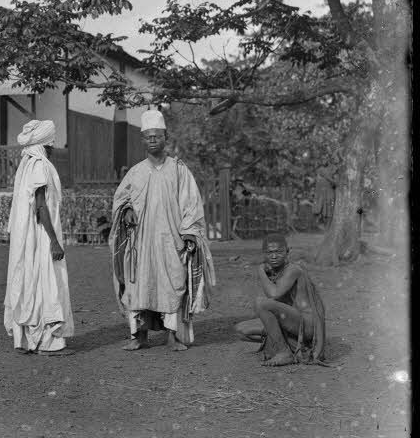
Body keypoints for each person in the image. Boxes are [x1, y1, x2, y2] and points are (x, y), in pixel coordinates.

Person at [111, 109, 217, 351]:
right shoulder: (135, 172)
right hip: (141, 243)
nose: (152, 140)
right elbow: (121, 199)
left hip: (171, 242)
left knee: (172, 285)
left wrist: (189, 232)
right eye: (148, 136)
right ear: (142, 139)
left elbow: (191, 203)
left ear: (165, 137)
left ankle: (174, 336)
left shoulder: (179, 170)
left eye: (157, 136)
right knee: (139, 286)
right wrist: (126, 209)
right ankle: (139, 336)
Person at [3, 120, 74, 355]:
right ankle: (48, 341)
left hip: (29, 236)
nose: (53, 148)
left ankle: (29, 339)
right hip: (41, 234)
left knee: (30, 280)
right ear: (45, 145)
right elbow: (41, 206)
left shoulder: (26, 164)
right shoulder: (40, 166)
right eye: (51, 144)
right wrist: (54, 240)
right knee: (46, 281)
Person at [234, 233, 328, 365]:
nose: (273, 256)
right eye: (269, 252)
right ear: (264, 254)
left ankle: (283, 351)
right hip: (291, 319)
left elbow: (273, 294)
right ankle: (285, 342)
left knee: (261, 303)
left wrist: (261, 271)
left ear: (287, 252)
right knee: (241, 331)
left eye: (278, 252)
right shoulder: (274, 271)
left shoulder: (293, 270)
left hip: (306, 325)